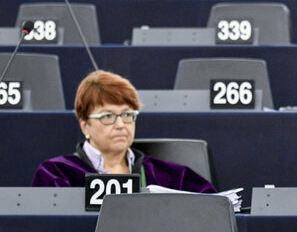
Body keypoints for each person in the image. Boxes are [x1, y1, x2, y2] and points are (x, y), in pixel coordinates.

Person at [32, 70, 216, 193]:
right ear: (85, 126)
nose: (120, 124)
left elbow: (213, 211)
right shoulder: (58, 174)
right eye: (107, 116)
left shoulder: (169, 176)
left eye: (127, 114)